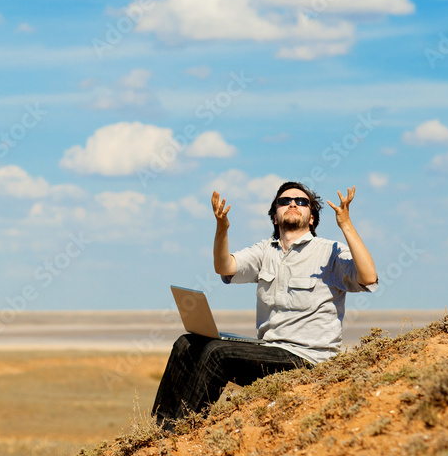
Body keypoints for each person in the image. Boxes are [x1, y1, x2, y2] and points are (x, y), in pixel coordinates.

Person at [152, 181, 378, 428]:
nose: (293, 204)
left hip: (308, 360)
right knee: (187, 343)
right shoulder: (264, 251)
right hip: (268, 352)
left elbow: (368, 277)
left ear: (312, 218)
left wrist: (345, 224)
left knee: (218, 354)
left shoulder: (330, 251)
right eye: (284, 201)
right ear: (275, 217)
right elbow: (224, 267)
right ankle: (158, 431)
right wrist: (222, 228)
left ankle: (180, 432)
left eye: (302, 202)